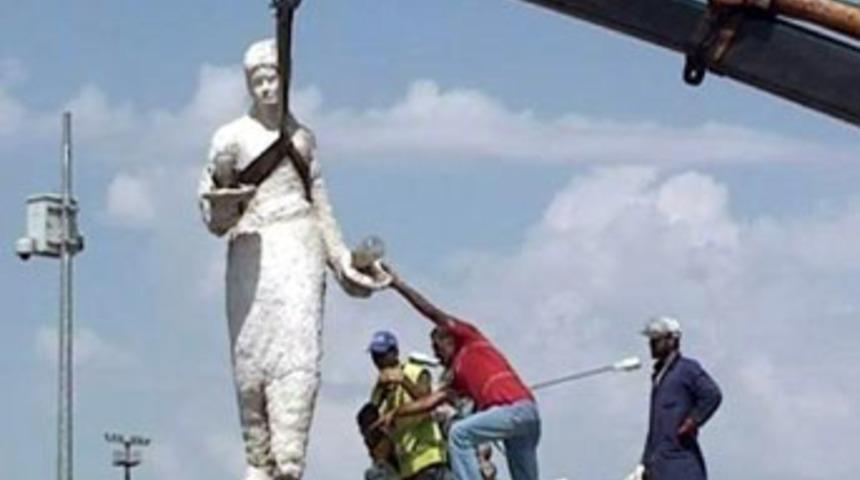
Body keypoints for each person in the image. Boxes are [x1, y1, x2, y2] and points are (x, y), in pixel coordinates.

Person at [197, 38, 390, 480]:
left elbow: (322, 207)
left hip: (299, 248)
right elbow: (212, 216)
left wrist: (344, 262)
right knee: (251, 367)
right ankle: (258, 461)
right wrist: (226, 196)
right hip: (250, 252)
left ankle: (289, 463)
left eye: (273, 78)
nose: (266, 88)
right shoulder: (229, 138)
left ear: (286, 81)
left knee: (298, 360)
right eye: (258, 80)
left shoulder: (303, 140)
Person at [376, 270, 541, 480]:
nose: (437, 355)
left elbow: (431, 312)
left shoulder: (469, 340)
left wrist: (398, 285)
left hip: (515, 410)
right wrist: (397, 412)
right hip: (525, 419)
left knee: (459, 434)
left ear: (450, 340)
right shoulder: (456, 377)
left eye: (438, 348)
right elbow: (428, 402)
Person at [626, 316, 722, 480]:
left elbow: (712, 394)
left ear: (672, 340)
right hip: (659, 467)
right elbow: (655, 431)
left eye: (656, 340)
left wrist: (693, 421)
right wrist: (644, 464)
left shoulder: (686, 369)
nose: (651, 345)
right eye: (651, 340)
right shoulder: (660, 377)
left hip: (681, 467)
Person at [367, 331, 450, 480]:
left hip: (428, 457)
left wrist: (403, 380)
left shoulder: (415, 372)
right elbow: (369, 421)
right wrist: (379, 393)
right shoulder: (382, 387)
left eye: (382, 355)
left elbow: (427, 400)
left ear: (394, 353)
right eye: (375, 356)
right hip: (406, 464)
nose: (379, 361)